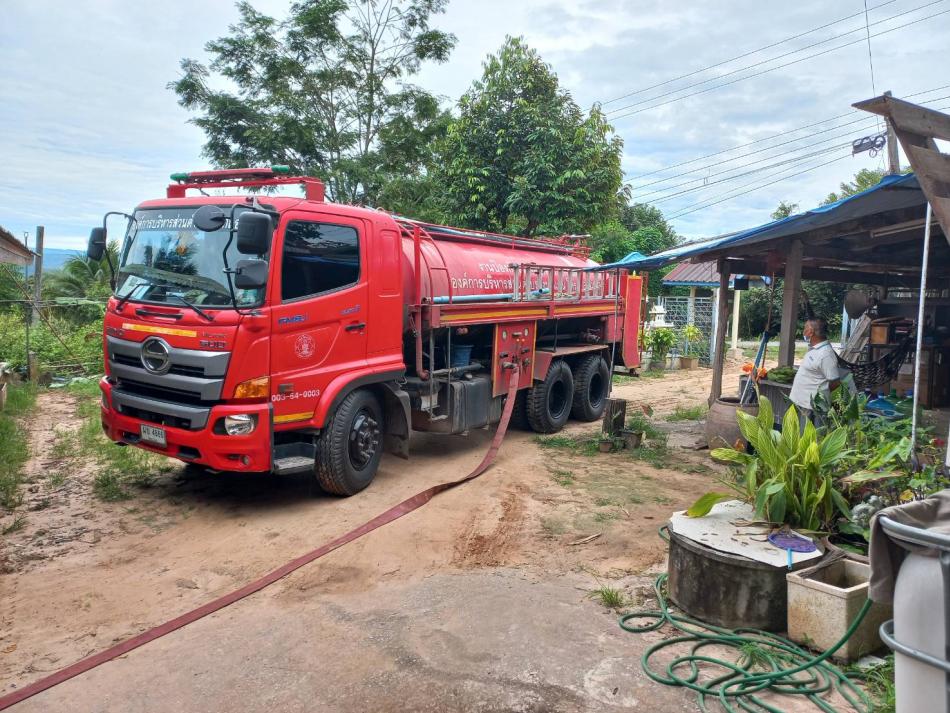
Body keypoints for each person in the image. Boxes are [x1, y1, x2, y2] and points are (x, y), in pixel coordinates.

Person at [789, 316, 842, 425]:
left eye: (805, 328)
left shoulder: (826, 354)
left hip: (812, 409)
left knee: (809, 439)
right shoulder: (814, 348)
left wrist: (819, 394)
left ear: (811, 332)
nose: (803, 331)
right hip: (802, 404)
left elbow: (835, 382)